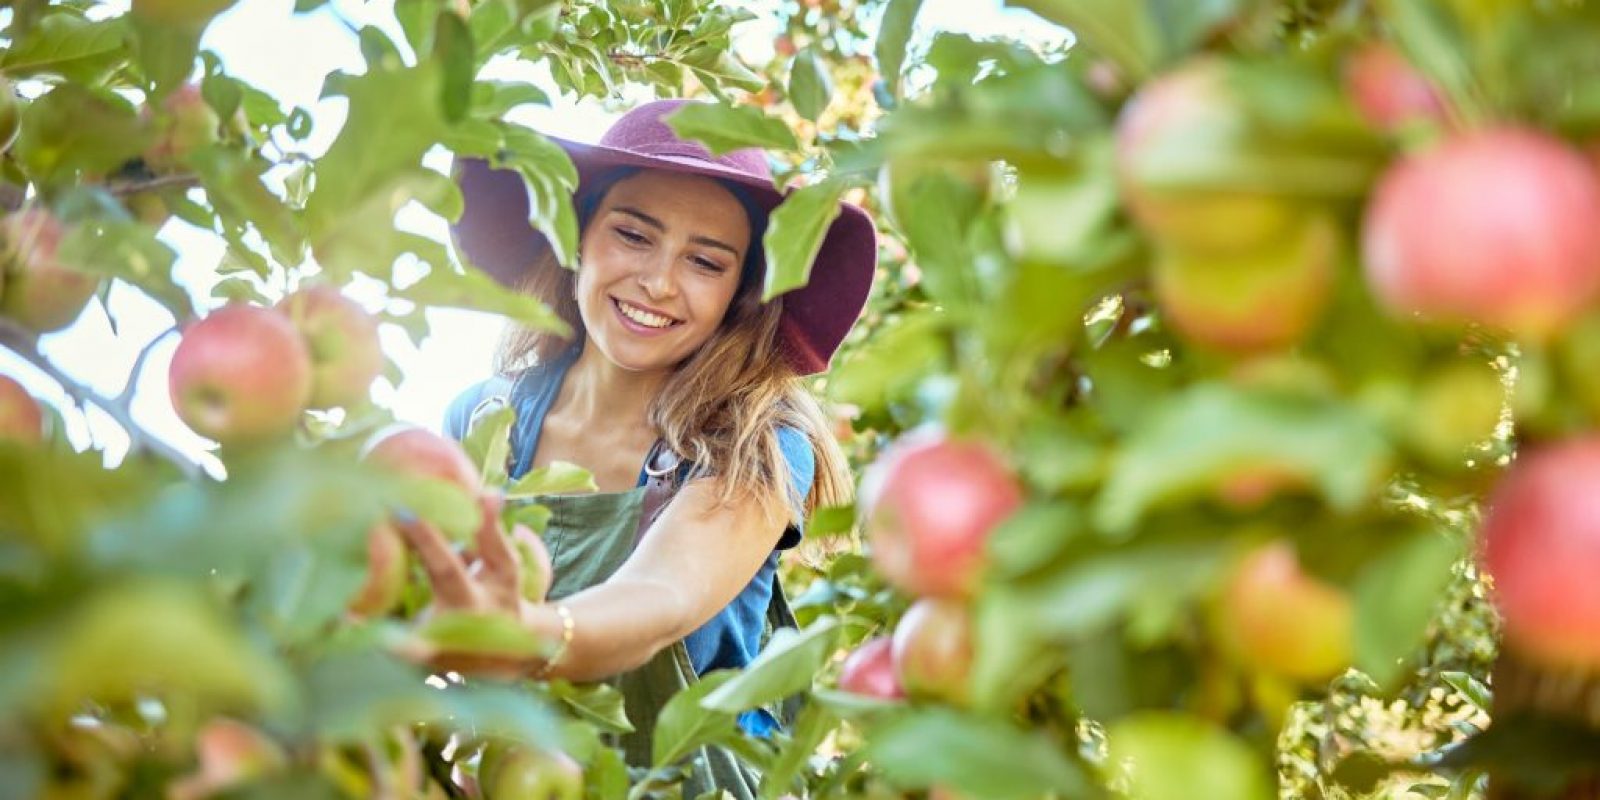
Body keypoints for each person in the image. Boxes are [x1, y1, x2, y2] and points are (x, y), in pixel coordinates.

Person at [394, 99, 877, 797]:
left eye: (705, 262)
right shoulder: (485, 420)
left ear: (738, 294)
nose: (658, 282)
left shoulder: (757, 439)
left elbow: (664, 594)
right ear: (576, 237)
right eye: (633, 235)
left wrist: (533, 632)